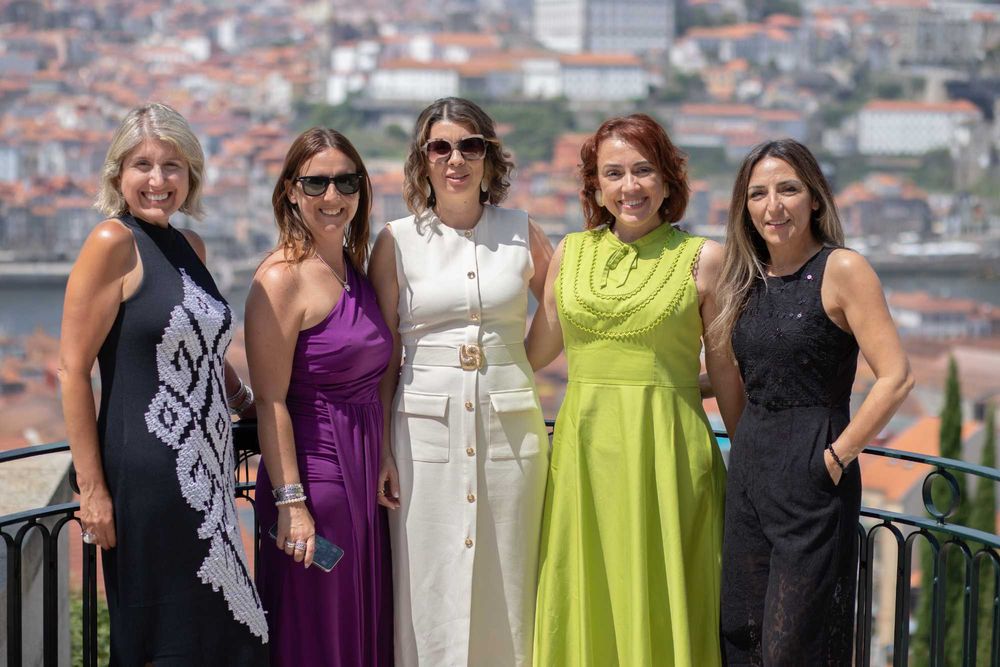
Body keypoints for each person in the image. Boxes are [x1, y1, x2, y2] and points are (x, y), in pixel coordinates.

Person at [526, 114, 744, 666]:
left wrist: (754, 465)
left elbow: (725, 373)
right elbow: (531, 355)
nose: (630, 187)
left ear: (668, 180)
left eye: (643, 171)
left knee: (665, 597)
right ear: (595, 186)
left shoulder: (705, 259)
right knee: (588, 598)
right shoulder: (568, 253)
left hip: (668, 459)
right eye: (614, 173)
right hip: (583, 461)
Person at [58, 102, 269, 664]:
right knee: (167, 641)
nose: (158, 180)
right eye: (143, 165)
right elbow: (73, 370)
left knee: (227, 638)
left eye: (173, 166)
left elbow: (200, 348)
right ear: (117, 174)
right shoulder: (111, 242)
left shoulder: (190, 247)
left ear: (191, 176)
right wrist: (93, 490)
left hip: (207, 471)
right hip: (146, 481)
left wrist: (247, 402)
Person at [368, 97, 554, 666]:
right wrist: (381, 449)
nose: (455, 159)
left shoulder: (523, 232)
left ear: (488, 157)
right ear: (423, 159)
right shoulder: (395, 241)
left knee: (512, 575)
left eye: (469, 146)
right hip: (422, 435)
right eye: (441, 147)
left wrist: (510, 364)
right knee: (430, 576)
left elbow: (559, 315)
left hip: (512, 431)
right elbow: (385, 354)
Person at [714, 139, 913, 665]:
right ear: (744, 206)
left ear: (815, 199)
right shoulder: (745, 279)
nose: (773, 206)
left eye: (788, 189)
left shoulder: (842, 269)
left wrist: (835, 457)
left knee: (795, 645)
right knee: (741, 633)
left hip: (813, 475)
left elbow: (896, 377)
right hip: (751, 475)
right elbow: (740, 374)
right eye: (758, 193)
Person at [246, 127, 393, 665]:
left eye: (346, 182)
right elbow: (270, 401)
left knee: (359, 620)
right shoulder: (282, 278)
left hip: (362, 475)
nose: (333, 197)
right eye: (316, 183)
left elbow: (379, 372)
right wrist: (292, 506)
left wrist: (384, 457)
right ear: (291, 190)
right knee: (319, 627)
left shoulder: (354, 269)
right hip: (316, 485)